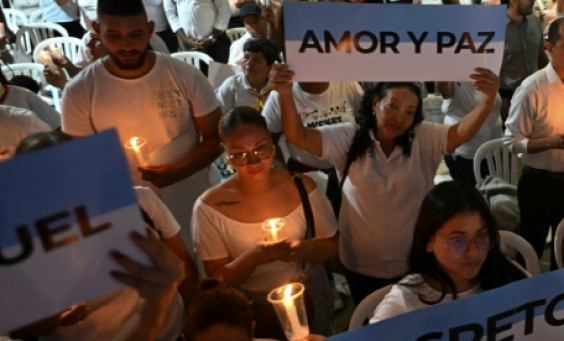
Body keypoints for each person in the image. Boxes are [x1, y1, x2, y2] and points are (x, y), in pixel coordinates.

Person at [269, 64, 500, 304]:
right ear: (374, 103)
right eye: (392, 106)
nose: (400, 118)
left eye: (409, 112)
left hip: (413, 262)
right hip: (360, 265)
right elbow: (299, 136)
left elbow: (459, 132)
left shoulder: (423, 137)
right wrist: (285, 95)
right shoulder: (348, 137)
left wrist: (486, 102)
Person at [61, 0, 222, 244]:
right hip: (126, 210)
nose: (126, 45)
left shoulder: (184, 75)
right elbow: (81, 163)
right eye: (114, 35)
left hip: (191, 197)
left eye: (136, 34)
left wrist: (178, 172)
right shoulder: (80, 91)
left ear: (149, 29)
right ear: (96, 30)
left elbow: (216, 136)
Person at [10, 131, 197, 341]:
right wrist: (55, 319)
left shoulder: (138, 202)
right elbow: (19, 327)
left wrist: (193, 325)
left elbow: (183, 266)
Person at [192, 107, 338, 337]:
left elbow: (330, 245)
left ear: (271, 141)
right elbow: (217, 279)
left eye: (261, 149)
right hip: (253, 309)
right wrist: (254, 258)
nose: (253, 161)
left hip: (307, 296)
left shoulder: (302, 187)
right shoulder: (210, 207)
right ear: (225, 152)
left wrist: (305, 249)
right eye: (239, 154)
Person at [370, 181, 544, 321]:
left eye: (481, 235)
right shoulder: (404, 304)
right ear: (429, 241)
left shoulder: (507, 273)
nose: (473, 251)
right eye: (458, 241)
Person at [505, 17, 564, 257]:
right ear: (549, 48)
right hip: (538, 182)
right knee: (531, 244)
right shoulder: (532, 88)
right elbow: (512, 142)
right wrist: (552, 143)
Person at [498, 0, 547, 117]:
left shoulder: (534, 20)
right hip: (507, 96)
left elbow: (540, 56)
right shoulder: (494, 27)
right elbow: (489, 67)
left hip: (535, 91)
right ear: (513, 0)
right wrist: (497, 99)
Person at [216, 39, 278, 114]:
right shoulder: (232, 86)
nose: (249, 62)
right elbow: (221, 117)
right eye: (246, 57)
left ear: (269, 67)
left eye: (256, 60)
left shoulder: (277, 88)